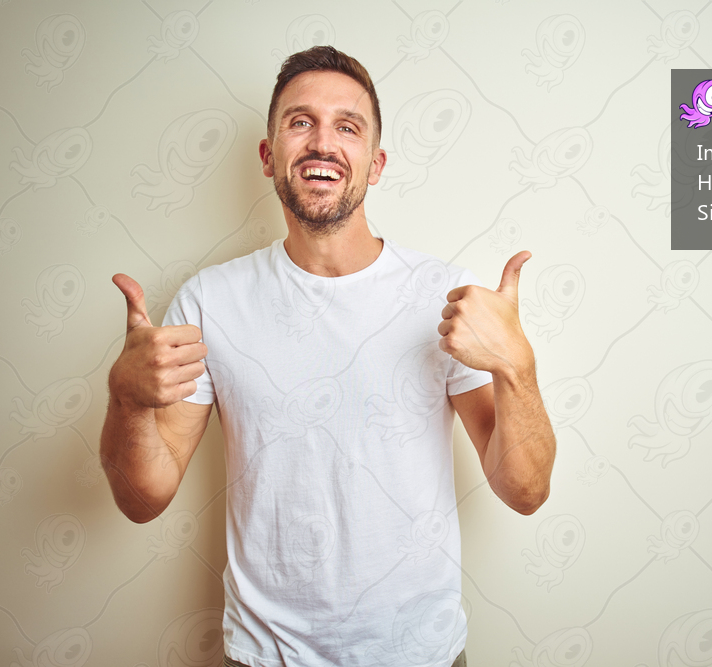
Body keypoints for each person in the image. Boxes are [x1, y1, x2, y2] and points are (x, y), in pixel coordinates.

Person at [100, 46, 556, 667]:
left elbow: (525, 491)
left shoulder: (443, 296)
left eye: (348, 126)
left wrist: (516, 367)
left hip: (419, 654)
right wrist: (125, 399)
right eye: (299, 122)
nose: (323, 142)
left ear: (376, 162)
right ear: (269, 156)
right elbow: (141, 498)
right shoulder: (210, 301)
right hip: (267, 656)